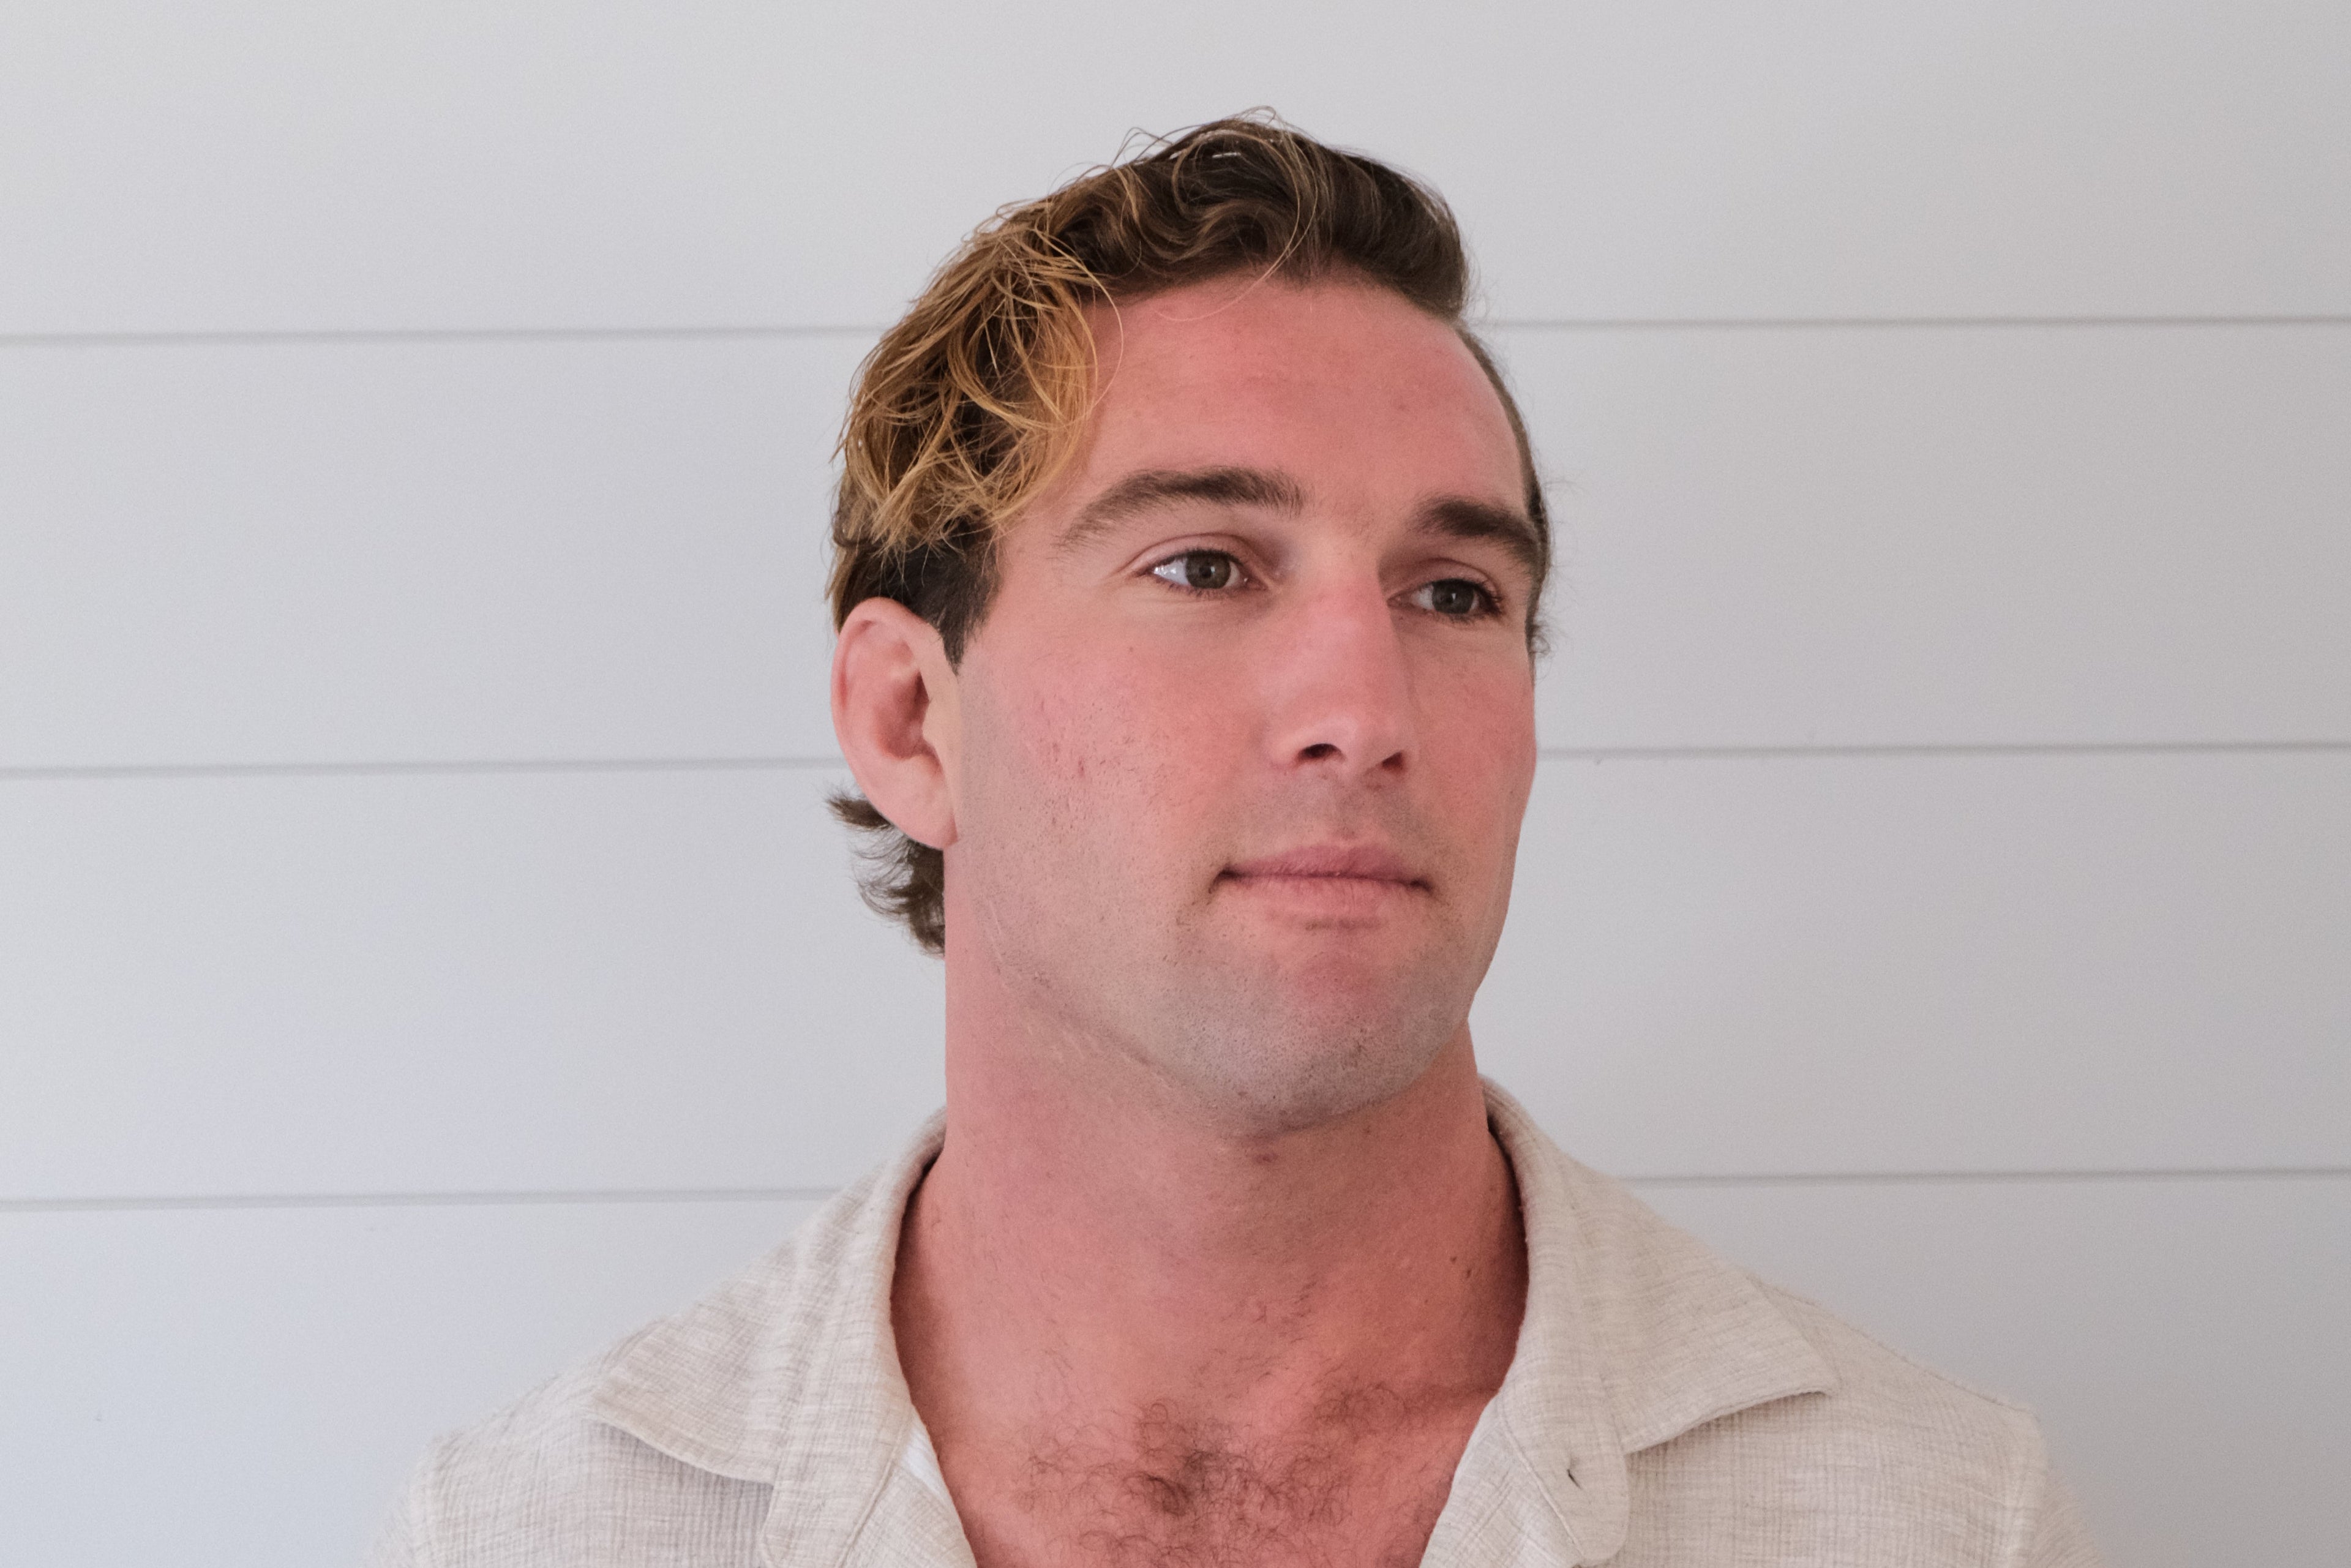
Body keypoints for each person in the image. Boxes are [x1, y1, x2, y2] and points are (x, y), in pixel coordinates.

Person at [366, 116, 2102, 1567]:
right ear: (911, 721)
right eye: (1204, 565)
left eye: (1455, 592)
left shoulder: (1934, 1523)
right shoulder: (540, 1533)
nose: (1367, 706)